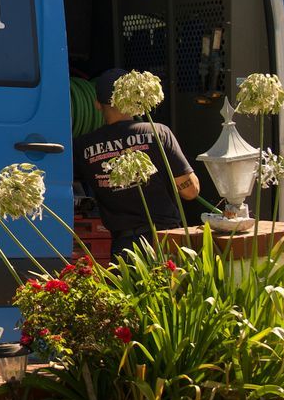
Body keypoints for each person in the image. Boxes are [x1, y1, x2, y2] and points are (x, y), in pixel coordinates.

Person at [74, 69, 201, 258]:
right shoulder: (158, 133)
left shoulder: (83, 147)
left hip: (123, 248)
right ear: (134, 100)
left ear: (97, 105)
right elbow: (190, 192)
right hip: (164, 241)